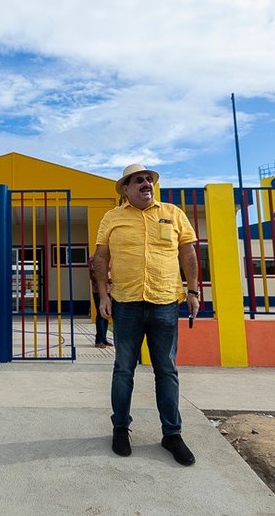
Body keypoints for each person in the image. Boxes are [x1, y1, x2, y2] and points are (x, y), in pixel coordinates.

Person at [93, 163, 200, 466]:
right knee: (123, 369)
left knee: (166, 370)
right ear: (125, 189)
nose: (145, 183)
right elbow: (101, 258)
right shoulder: (111, 218)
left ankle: (172, 434)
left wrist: (192, 292)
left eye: (148, 179)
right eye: (137, 180)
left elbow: (188, 253)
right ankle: (120, 428)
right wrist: (103, 295)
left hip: (165, 302)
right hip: (125, 303)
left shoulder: (174, 213)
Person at [88, 255, 113, 348]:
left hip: (110, 290)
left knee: (106, 314)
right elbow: (93, 275)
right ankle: (99, 340)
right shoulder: (93, 259)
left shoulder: (111, 258)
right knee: (101, 313)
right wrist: (108, 279)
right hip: (98, 290)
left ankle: (104, 338)